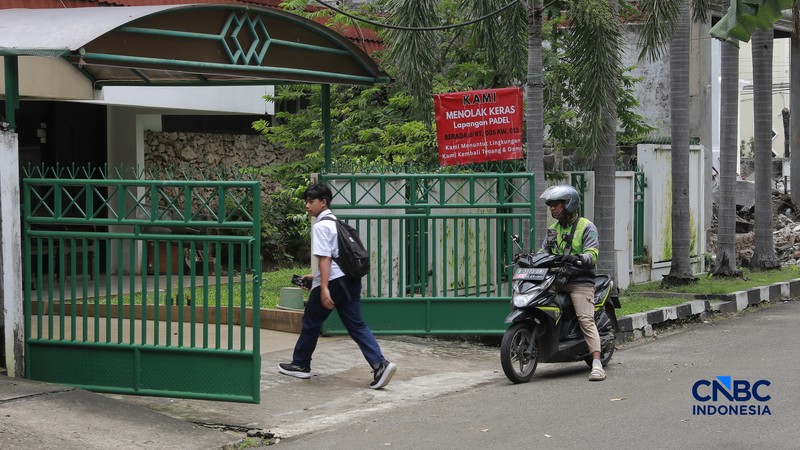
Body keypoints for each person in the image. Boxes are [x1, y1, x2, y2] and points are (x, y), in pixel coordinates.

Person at [278, 183, 397, 389]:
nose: (307, 205)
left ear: (323, 202)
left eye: (311, 201)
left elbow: (325, 259)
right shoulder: (338, 223)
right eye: (306, 201)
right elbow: (336, 258)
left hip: (333, 282)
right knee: (356, 325)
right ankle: (380, 364)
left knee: (311, 322)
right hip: (350, 281)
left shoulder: (320, 226)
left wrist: (323, 287)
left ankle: (300, 364)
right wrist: (315, 276)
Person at [540, 184, 606, 382]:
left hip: (580, 281)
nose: (552, 209)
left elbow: (592, 255)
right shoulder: (553, 230)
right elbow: (544, 252)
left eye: (556, 204)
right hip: (556, 279)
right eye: (550, 205)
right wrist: (531, 258)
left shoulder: (587, 227)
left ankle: (597, 364)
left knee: (586, 319)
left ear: (569, 204)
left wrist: (576, 258)